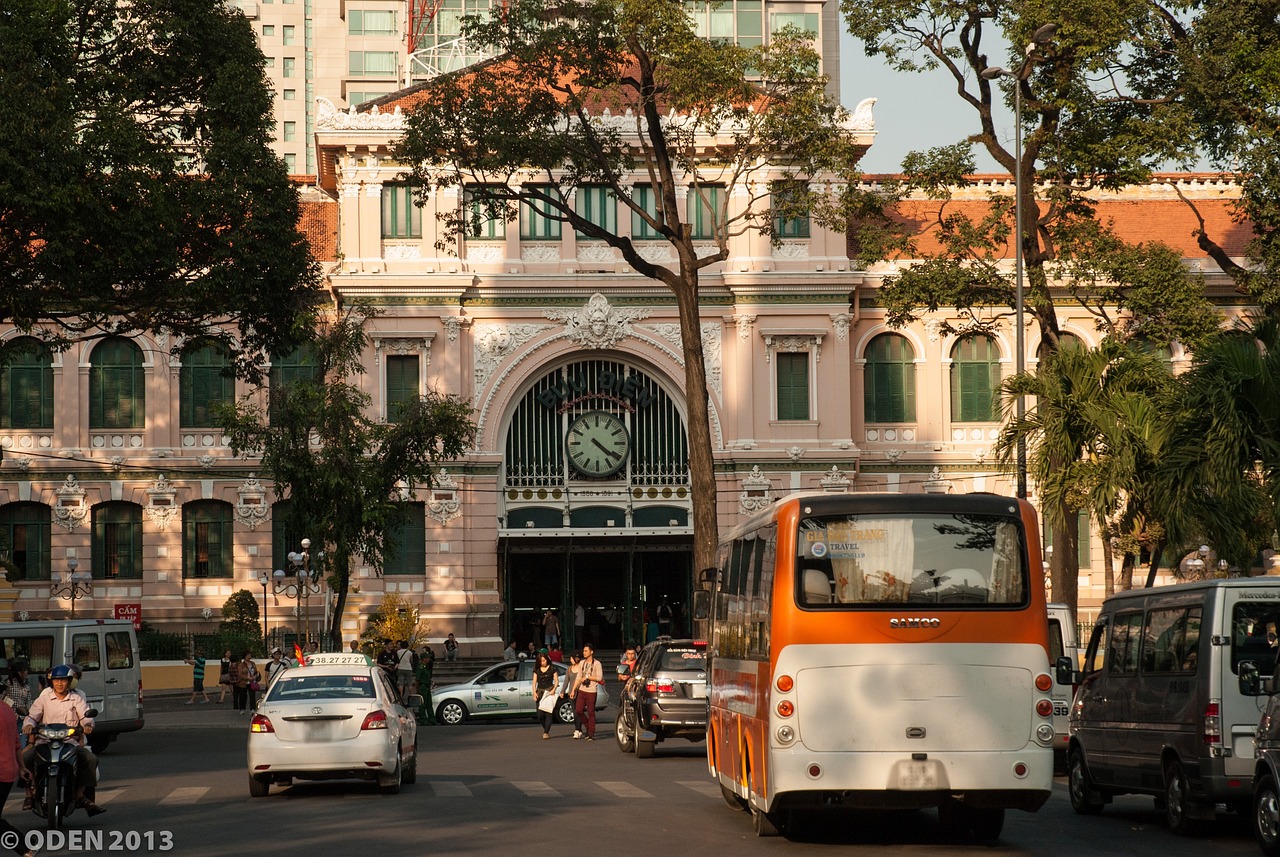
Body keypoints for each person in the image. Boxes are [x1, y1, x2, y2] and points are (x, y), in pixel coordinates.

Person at [22, 664, 103, 816]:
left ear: (69, 682)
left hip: (69, 743)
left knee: (91, 759)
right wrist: (28, 725)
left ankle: (80, 794)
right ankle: (29, 794)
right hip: (44, 742)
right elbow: (32, 716)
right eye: (57, 680)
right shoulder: (44, 699)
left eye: (63, 680)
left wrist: (87, 725)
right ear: (51, 681)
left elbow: (86, 716)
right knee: (25, 758)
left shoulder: (77, 699)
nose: (60, 683)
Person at [0, 685, 33, 857]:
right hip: (8, 771)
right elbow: (16, 744)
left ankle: (24, 845)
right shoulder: (6, 710)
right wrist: (22, 768)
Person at [572, 644, 604, 741]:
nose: (584, 653)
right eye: (584, 651)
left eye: (586, 651)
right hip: (582, 690)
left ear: (591, 652)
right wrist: (573, 689)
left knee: (591, 712)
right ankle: (587, 726)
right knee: (578, 710)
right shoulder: (582, 663)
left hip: (592, 690)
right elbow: (578, 677)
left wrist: (588, 677)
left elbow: (599, 677)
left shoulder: (597, 663)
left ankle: (591, 733)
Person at [531, 652, 559, 739]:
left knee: (548, 713)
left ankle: (546, 732)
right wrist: (534, 693)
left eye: (544, 660)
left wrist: (554, 690)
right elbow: (534, 682)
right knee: (539, 715)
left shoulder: (552, 668)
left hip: (549, 692)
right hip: (540, 692)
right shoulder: (537, 669)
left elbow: (556, 681)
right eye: (541, 661)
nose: (543, 662)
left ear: (547, 659)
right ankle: (545, 728)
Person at [5, 662, 31, 748]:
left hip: (22, 720)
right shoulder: (8, 684)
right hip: (9, 719)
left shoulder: (26, 687)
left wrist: (28, 713)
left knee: (21, 744)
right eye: (25, 670)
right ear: (20, 672)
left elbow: (29, 703)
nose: (27, 673)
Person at [563, 654, 582, 738]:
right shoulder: (569, 668)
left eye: (571, 658)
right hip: (571, 693)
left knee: (578, 711)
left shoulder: (581, 668)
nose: (570, 660)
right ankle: (578, 729)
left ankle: (577, 730)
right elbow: (566, 681)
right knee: (574, 712)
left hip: (580, 692)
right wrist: (563, 691)